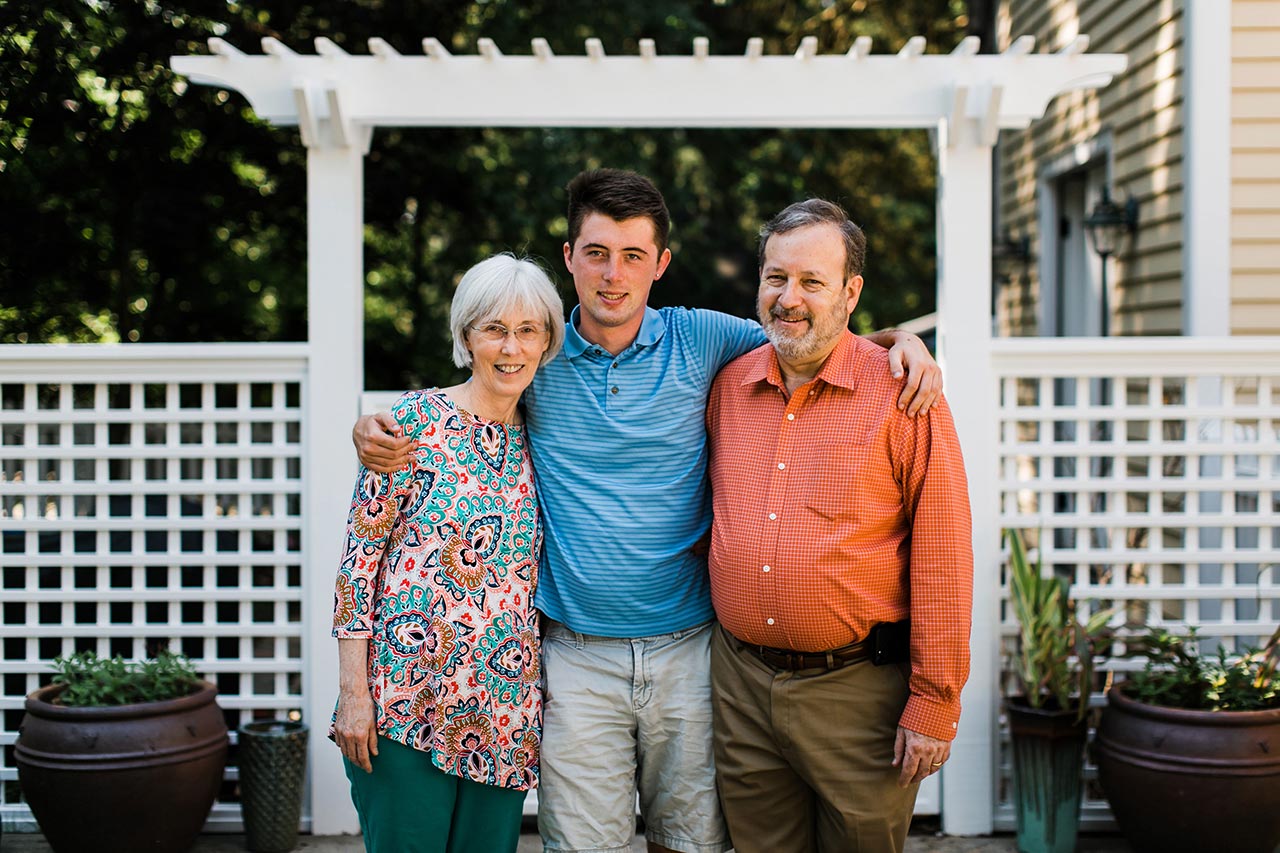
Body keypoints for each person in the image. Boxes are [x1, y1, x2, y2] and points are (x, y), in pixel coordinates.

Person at [353, 170, 942, 853]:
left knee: (689, 843)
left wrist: (901, 344)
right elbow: (466, 392)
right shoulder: (535, 355)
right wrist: (374, 427)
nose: (613, 274)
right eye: (596, 253)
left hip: (690, 650)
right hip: (576, 654)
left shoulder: (703, 340)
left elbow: (808, 331)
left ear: (661, 264)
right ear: (568, 255)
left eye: (633, 255)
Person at [705, 199, 974, 853]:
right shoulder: (729, 385)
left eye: (812, 281)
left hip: (858, 696)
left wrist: (934, 702)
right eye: (776, 277)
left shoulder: (905, 398)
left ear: (851, 292)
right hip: (741, 687)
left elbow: (943, 555)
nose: (788, 297)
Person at [331, 254, 565, 853]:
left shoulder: (544, 434)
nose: (511, 347)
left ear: (546, 340)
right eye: (494, 329)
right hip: (404, 704)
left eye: (527, 330)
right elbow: (358, 566)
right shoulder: (410, 425)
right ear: (466, 337)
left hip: (502, 710)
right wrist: (355, 697)